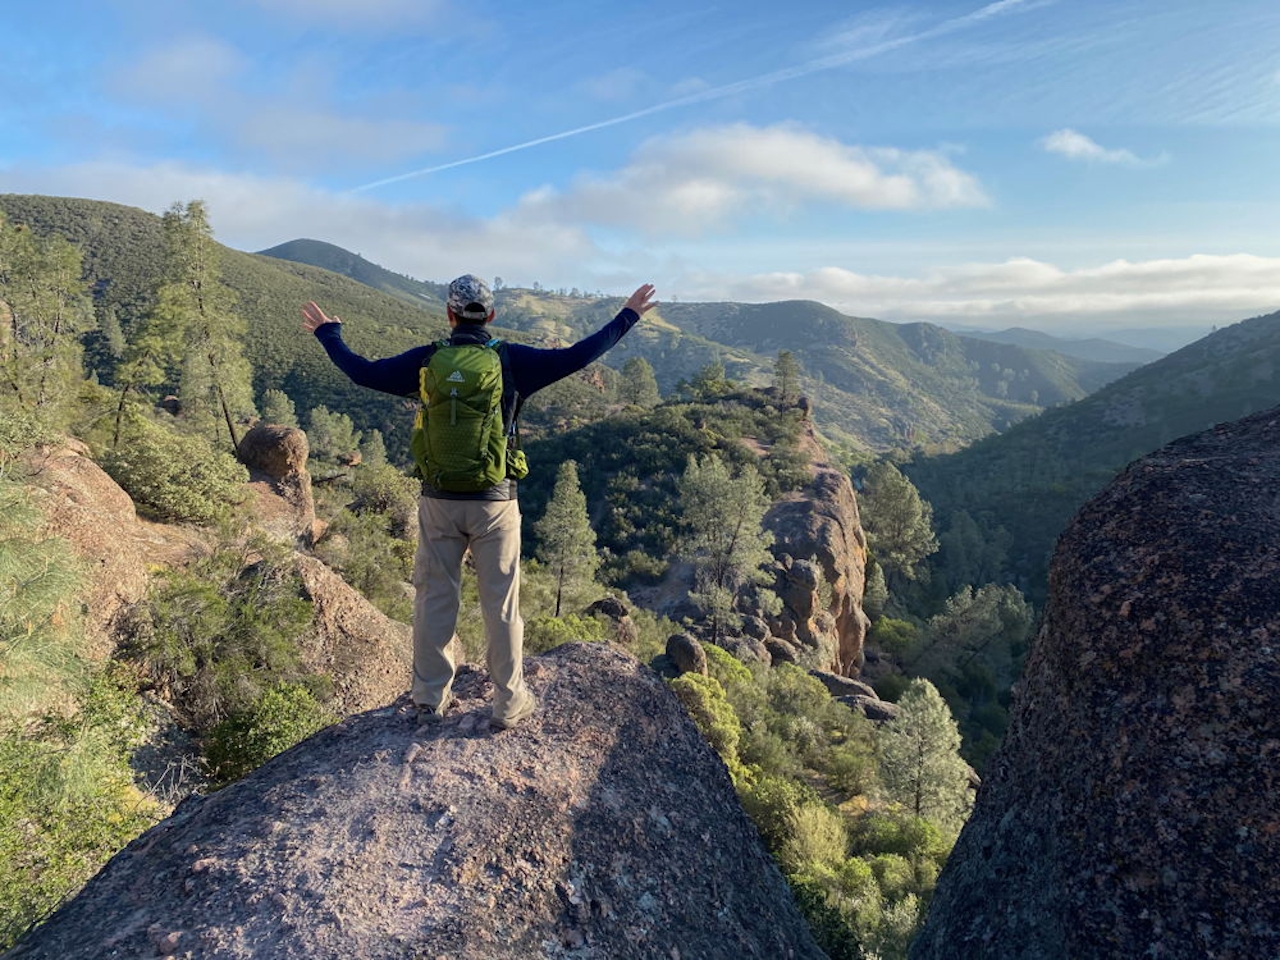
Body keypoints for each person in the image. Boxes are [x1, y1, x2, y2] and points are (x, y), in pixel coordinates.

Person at [301, 276, 657, 730]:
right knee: (501, 605)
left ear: (449, 315)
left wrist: (329, 334)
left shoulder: (427, 360)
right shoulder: (512, 361)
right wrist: (628, 314)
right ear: (490, 316)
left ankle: (429, 698)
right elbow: (580, 355)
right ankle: (509, 703)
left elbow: (363, 372)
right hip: (495, 503)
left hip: (439, 501)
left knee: (435, 597)